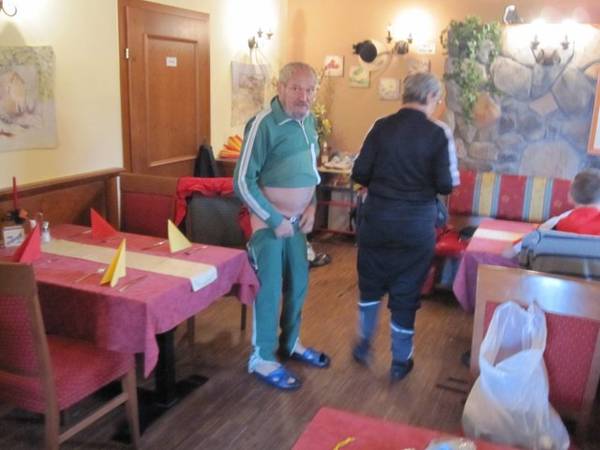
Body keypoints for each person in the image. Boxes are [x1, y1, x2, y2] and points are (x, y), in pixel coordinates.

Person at [351, 72, 460, 382]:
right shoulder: (439, 133)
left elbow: (360, 172)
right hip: (415, 226)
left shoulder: (380, 126)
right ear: (430, 97)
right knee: (406, 292)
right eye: (438, 99)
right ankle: (400, 361)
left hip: (376, 221)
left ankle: (363, 344)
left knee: (370, 285)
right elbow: (446, 184)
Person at [234, 62, 330, 391]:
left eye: (310, 90)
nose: (304, 96)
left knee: (298, 284)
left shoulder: (310, 121)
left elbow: (310, 172)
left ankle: (290, 343)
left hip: (297, 224)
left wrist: (312, 206)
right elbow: (242, 181)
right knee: (270, 288)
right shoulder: (263, 124)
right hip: (268, 222)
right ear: (281, 88)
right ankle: (261, 357)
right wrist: (274, 220)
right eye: (296, 88)